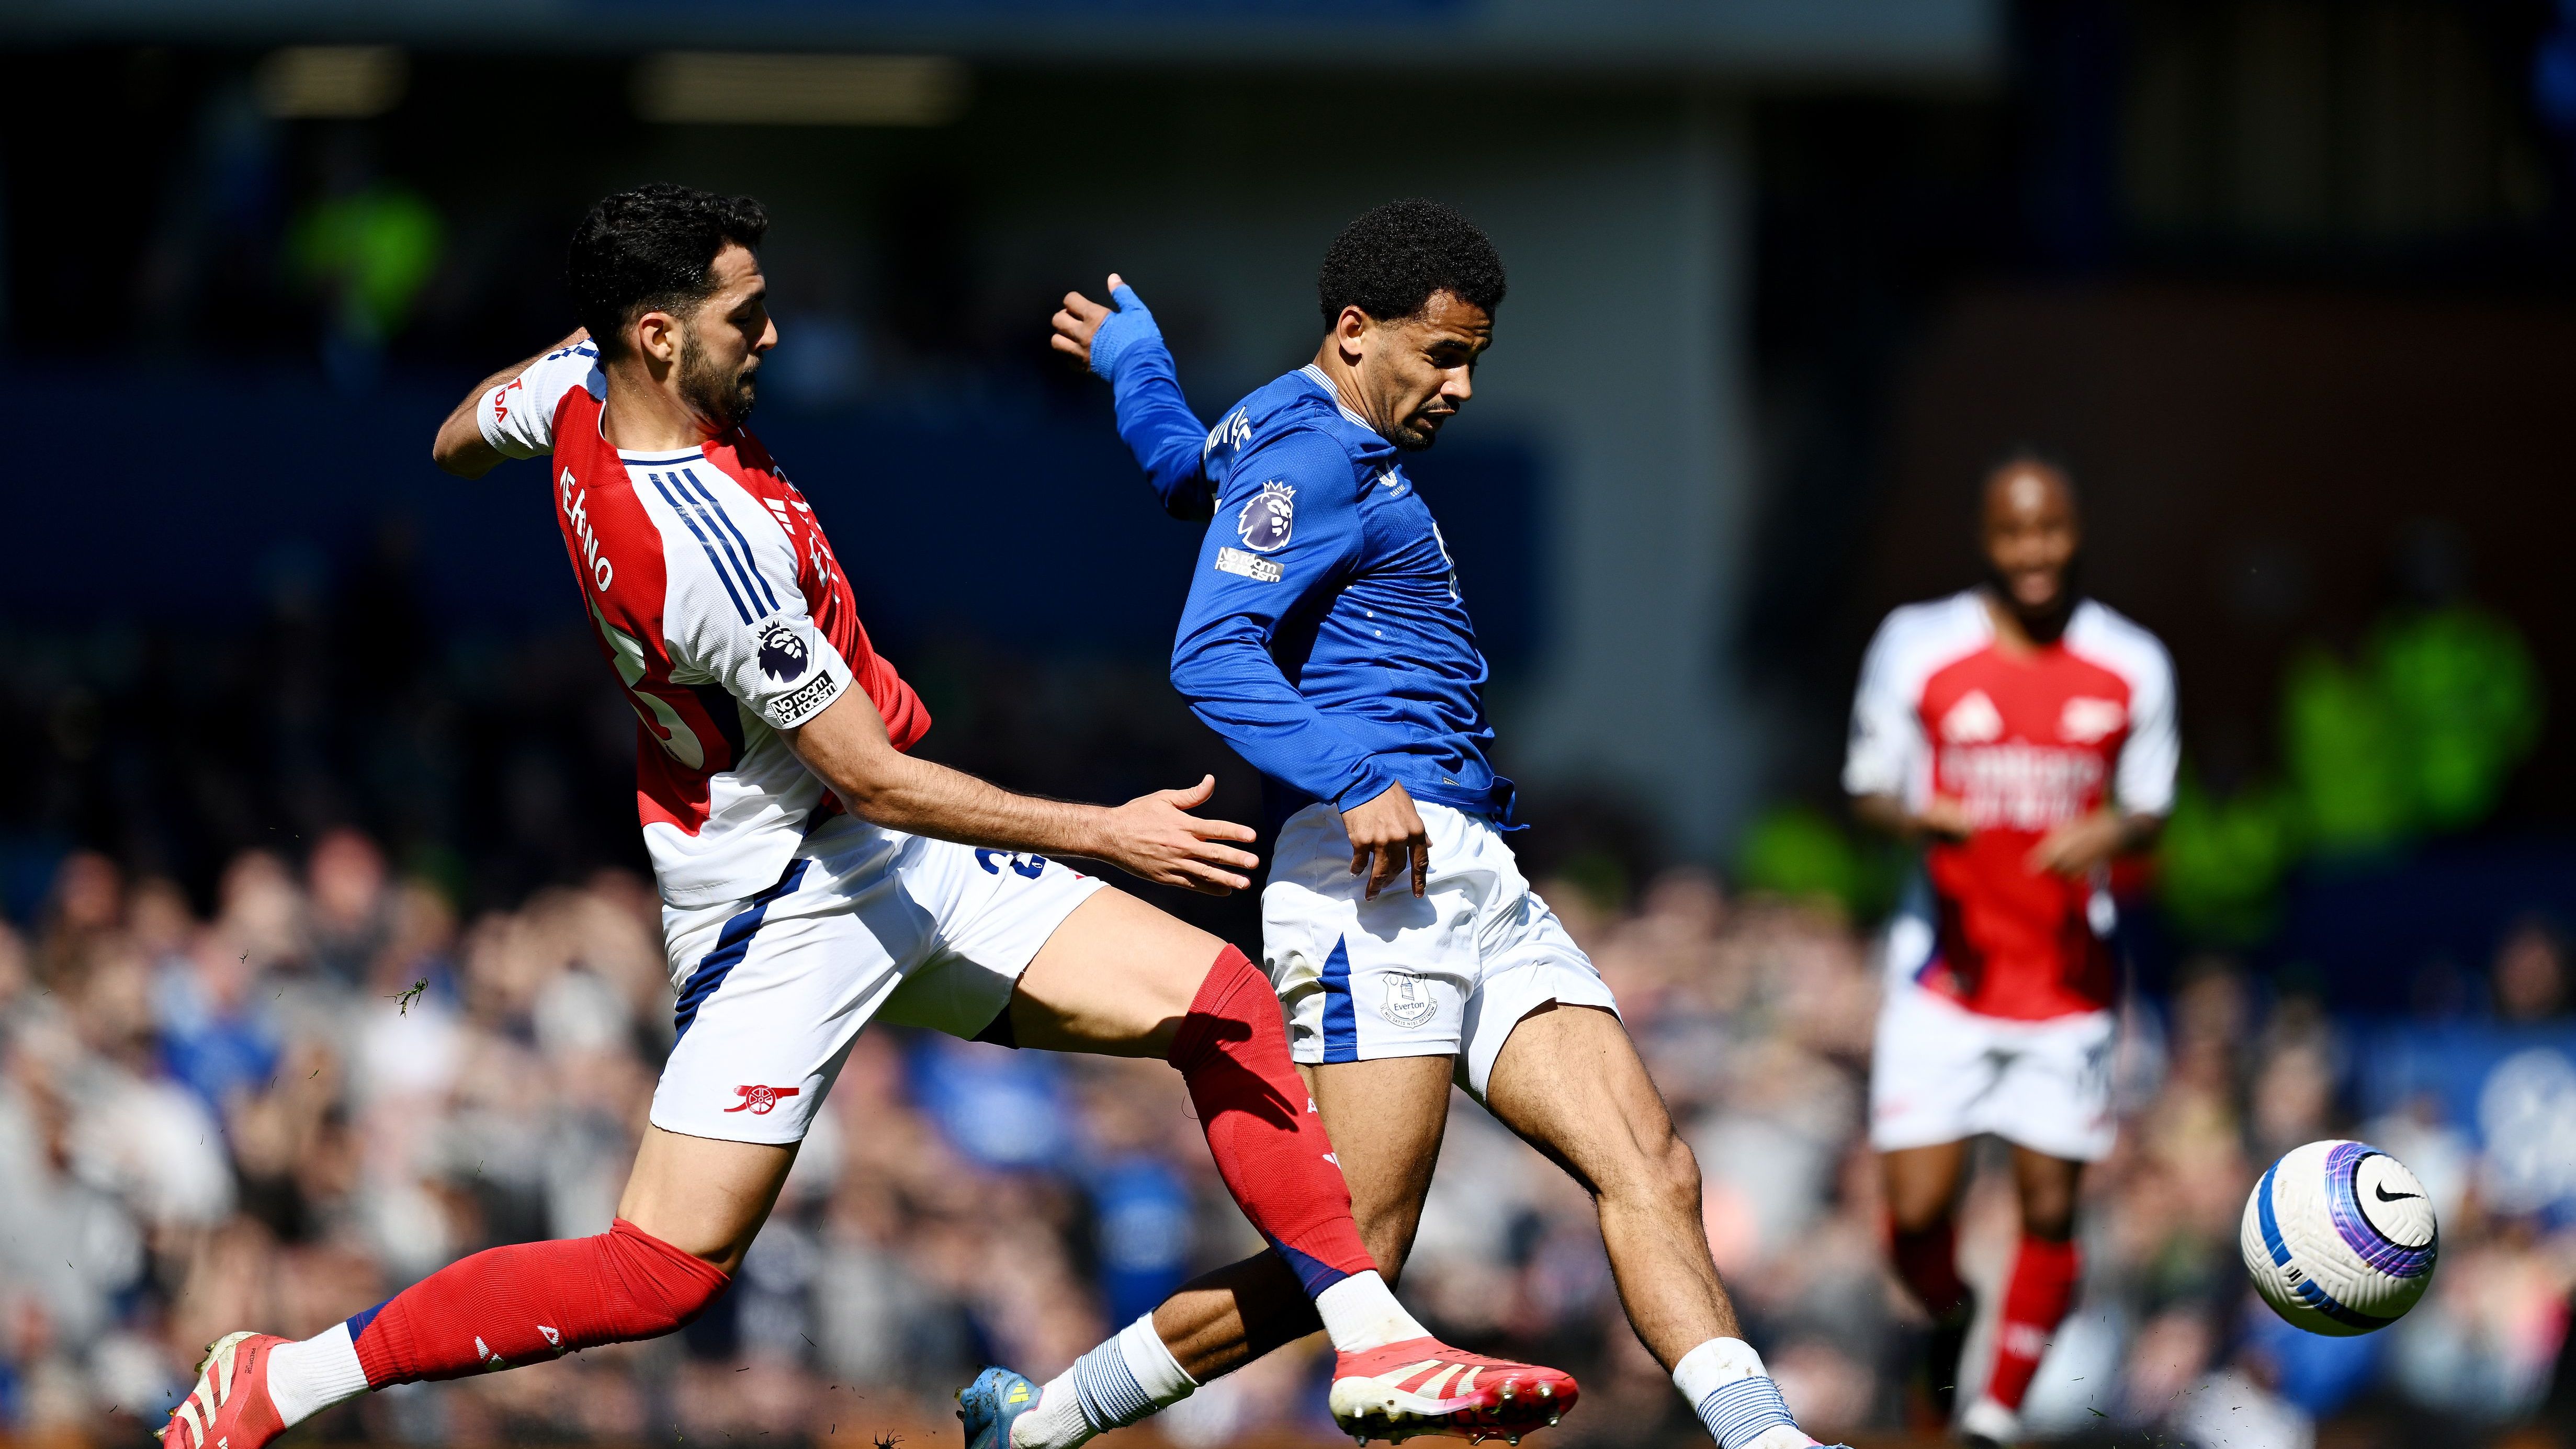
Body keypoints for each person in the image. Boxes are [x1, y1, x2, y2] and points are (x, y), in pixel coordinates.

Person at [162, 184, 1574, 1449]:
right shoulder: (714, 547)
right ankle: (280, 1382)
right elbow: (872, 774)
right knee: (659, 1275)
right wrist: (1109, 831)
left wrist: (521, 432)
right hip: (783, 892)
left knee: (1220, 1004)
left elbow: (460, 430)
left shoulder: (583, 385)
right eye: (748, 317)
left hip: (894, 849)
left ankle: (1377, 1351)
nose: (773, 338)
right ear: (663, 337)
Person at [1003, 199, 1844, 1449]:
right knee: (1358, 1253)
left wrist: (1137, 368)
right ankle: (1042, 1419)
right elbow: (1210, 647)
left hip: (1469, 868)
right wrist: (1349, 773)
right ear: (1353, 332)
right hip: (1367, 872)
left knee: (1653, 1165)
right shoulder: (1313, 455)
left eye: (1474, 361)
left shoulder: (1285, 428)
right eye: (1440, 354)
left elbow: (1188, 468)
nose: (1458, 385)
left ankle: (1767, 1441)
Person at [1841, 455, 2176, 1446]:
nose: (2034, 553)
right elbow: (1865, 790)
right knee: (1913, 1221)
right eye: (2014, 533)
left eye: (2052, 531)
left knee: (2048, 1205)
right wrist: (1917, 814)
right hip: (1943, 976)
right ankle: (1953, 1314)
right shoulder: (1915, 645)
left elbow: (2154, 808)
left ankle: (1992, 1415)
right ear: (1986, 537)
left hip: (2067, 982)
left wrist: (2109, 833)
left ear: (2077, 532)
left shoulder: (2134, 662)